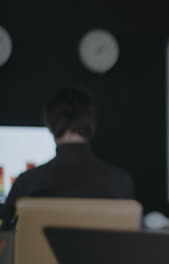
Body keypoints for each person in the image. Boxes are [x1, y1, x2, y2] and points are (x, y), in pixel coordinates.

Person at [0, 88, 135, 230]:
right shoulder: (121, 183)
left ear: (50, 125)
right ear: (91, 125)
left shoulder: (26, 184)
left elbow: (3, 236)